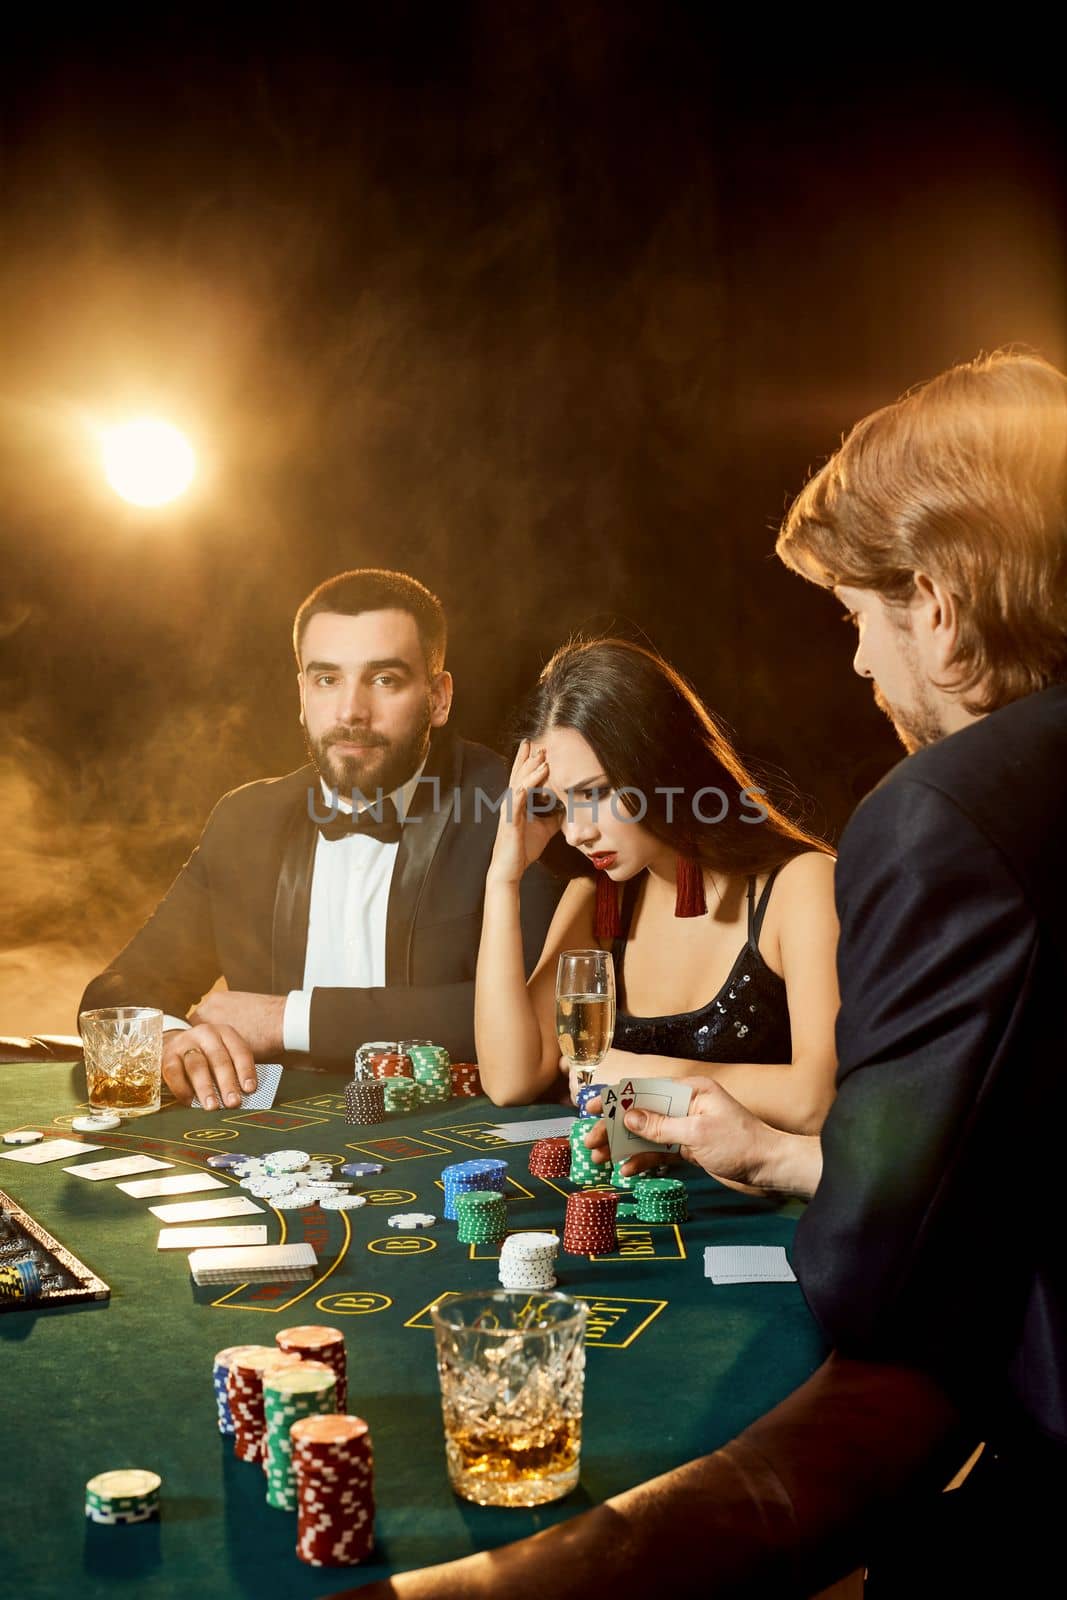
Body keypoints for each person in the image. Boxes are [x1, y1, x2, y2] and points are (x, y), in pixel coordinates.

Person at [583, 347, 1067, 1587]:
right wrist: (781, 1156)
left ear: (938, 603)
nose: (856, 665)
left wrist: (832, 1199)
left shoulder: (940, 815)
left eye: (858, 617)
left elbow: (873, 1284)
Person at [80, 569, 562, 1111]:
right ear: (303, 696)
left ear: (440, 697)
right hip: (269, 1142)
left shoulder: (513, 805)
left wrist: (285, 1020)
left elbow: (537, 1014)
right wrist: (170, 1041)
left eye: (384, 679)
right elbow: (118, 988)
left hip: (452, 1143)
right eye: (327, 679)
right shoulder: (246, 820)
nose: (351, 711)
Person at [475, 637, 839, 1132]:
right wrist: (503, 879)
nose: (577, 831)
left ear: (660, 763)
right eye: (561, 804)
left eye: (597, 792)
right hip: (640, 1195)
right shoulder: (599, 899)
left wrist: (641, 1076)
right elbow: (510, 1080)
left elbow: (819, 1101)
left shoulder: (801, 888)